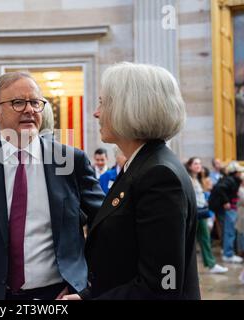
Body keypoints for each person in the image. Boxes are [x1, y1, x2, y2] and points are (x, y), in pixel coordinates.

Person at [0, 72, 104, 300]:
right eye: (18, 103)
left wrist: (86, 286)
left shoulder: (71, 161)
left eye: (35, 103)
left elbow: (104, 227)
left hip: (57, 295)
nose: (29, 110)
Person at [63, 62, 200, 300]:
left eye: (103, 103)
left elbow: (161, 287)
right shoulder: (141, 165)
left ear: (129, 107)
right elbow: (124, 267)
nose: (96, 113)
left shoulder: (158, 175)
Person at [185, 157, 227, 274]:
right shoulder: (188, 179)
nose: (198, 165)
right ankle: (188, 268)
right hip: (194, 213)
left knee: (204, 238)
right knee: (191, 241)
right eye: (195, 163)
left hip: (201, 213)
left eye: (199, 163)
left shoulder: (197, 179)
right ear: (190, 166)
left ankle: (211, 264)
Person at [209, 161, 244, 264]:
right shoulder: (230, 180)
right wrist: (225, 201)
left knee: (228, 230)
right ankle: (228, 254)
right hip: (228, 209)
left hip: (229, 208)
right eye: (239, 171)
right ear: (235, 172)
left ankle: (226, 251)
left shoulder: (230, 179)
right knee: (229, 230)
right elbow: (219, 188)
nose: (240, 173)